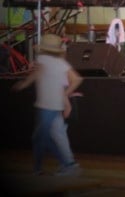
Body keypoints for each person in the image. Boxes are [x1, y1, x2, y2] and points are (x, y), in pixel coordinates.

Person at [12, 34, 83, 176]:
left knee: (41, 137)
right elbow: (76, 79)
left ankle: (57, 166)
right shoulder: (60, 63)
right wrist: (65, 96)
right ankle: (66, 164)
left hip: (47, 105)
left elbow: (36, 75)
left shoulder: (43, 59)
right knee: (51, 135)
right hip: (53, 105)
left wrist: (23, 84)